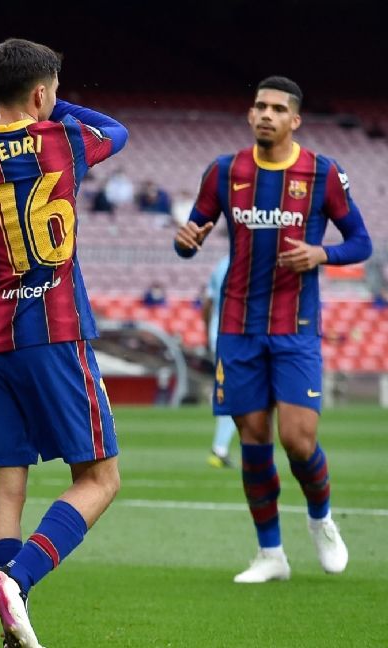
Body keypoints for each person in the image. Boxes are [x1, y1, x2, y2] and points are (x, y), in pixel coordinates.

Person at [0, 38, 128, 647]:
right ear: (41, 93)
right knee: (100, 479)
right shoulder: (65, 140)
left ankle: (13, 625)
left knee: (5, 488)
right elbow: (116, 130)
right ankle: (18, 579)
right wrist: (52, 108)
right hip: (57, 332)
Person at [174, 76, 371, 583]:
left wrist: (321, 253)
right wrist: (186, 241)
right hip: (237, 326)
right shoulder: (224, 171)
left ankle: (321, 520)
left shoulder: (323, 173)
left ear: (295, 120)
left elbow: (361, 242)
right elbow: (191, 234)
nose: (266, 114)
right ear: (250, 114)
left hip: (295, 326)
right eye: (260, 106)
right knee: (255, 440)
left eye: (278, 109)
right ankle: (271, 554)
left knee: (299, 441)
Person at [202, 254, 236, 468]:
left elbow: (208, 303)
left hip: (219, 337)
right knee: (235, 393)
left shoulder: (222, 264)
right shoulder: (254, 261)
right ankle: (220, 448)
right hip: (236, 338)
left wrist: (207, 332)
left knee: (233, 391)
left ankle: (221, 447)